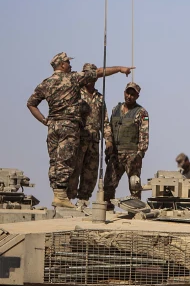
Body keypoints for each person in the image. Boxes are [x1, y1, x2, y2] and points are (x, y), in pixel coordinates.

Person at [27, 52, 133, 208]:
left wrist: (45, 120)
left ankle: (61, 195)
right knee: (67, 162)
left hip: (54, 127)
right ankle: (62, 196)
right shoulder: (72, 79)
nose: (70, 66)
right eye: (68, 63)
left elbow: (31, 103)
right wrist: (120, 69)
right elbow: (98, 73)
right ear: (62, 64)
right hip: (69, 127)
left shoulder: (45, 83)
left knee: (56, 161)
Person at [67, 63, 111, 208]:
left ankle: (83, 200)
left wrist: (108, 140)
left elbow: (104, 121)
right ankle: (67, 199)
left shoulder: (99, 97)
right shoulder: (77, 93)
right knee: (74, 169)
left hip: (94, 139)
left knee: (90, 171)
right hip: (79, 138)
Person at [104, 82, 149, 207]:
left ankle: (135, 212)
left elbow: (144, 134)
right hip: (116, 154)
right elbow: (109, 129)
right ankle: (107, 211)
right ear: (124, 93)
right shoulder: (116, 110)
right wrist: (109, 146)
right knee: (108, 185)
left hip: (132, 154)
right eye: (128, 93)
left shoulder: (141, 113)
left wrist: (140, 153)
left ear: (137, 96)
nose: (129, 96)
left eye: (133, 94)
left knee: (134, 186)